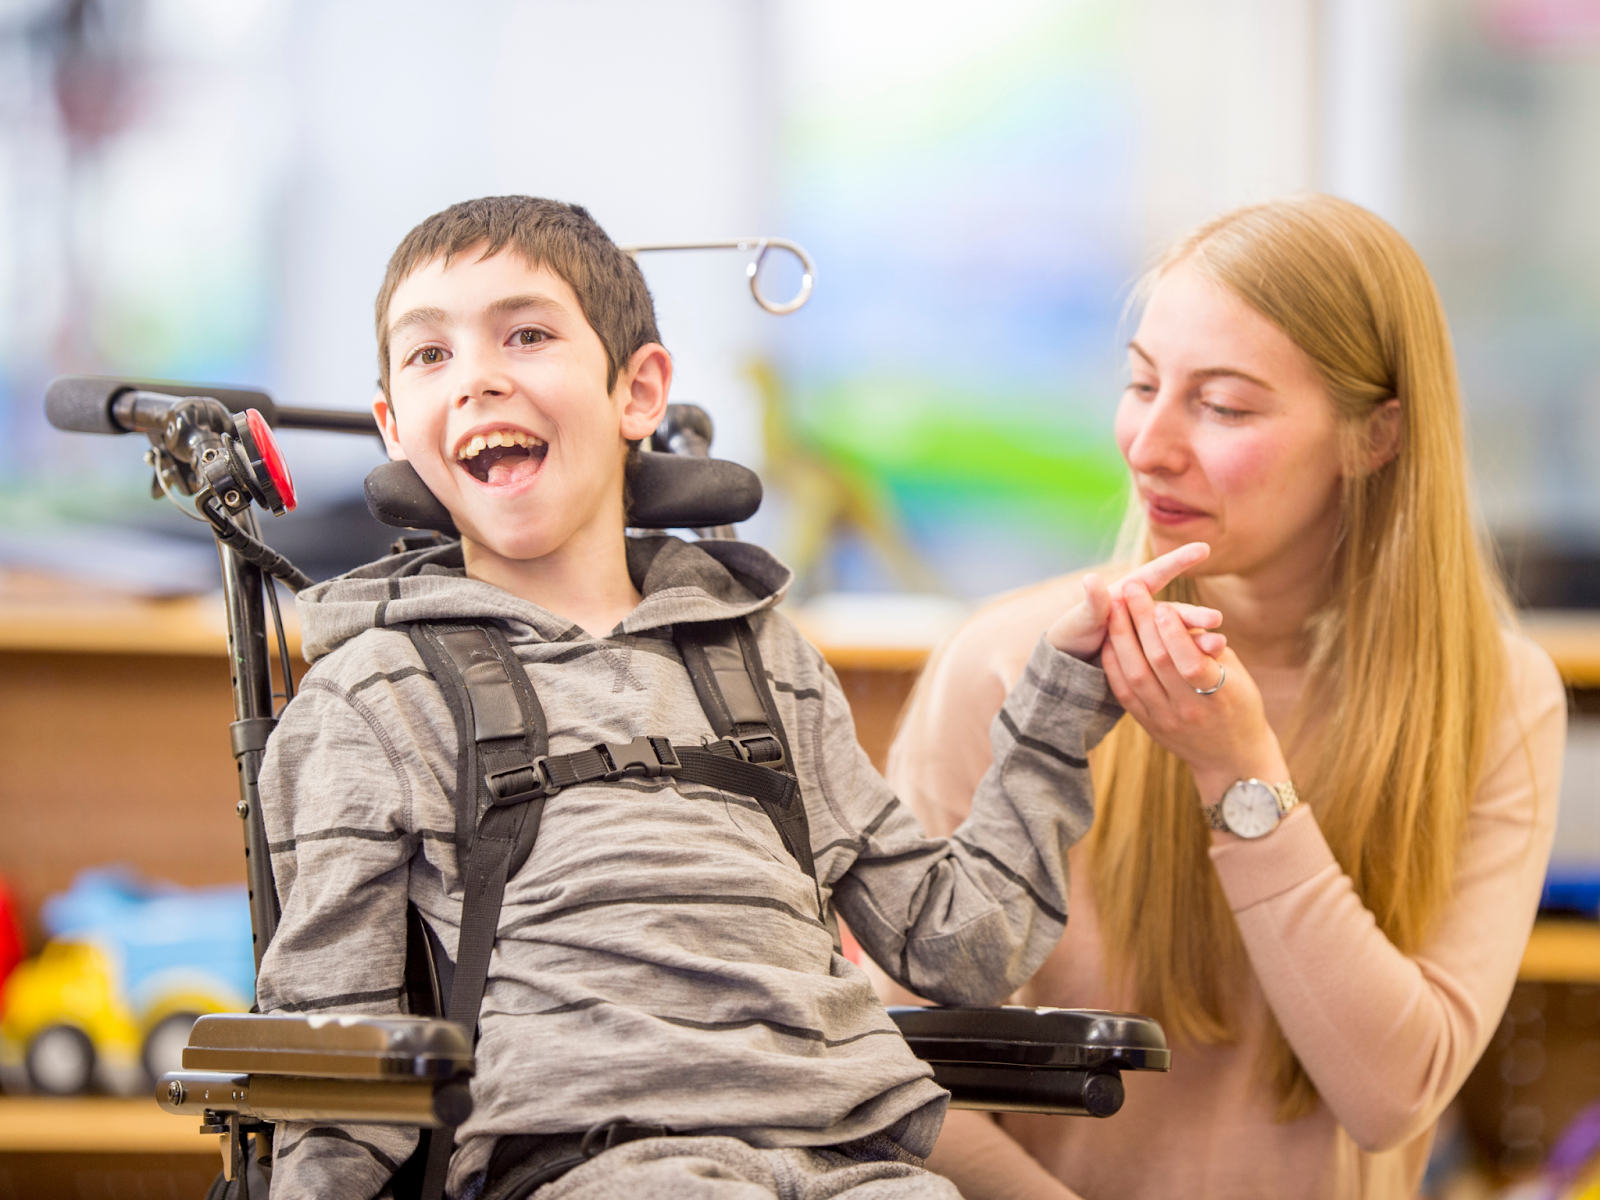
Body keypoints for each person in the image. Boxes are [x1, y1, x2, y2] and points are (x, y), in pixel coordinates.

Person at [251, 195, 1223, 1200]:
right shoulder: (373, 697)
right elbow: (333, 1064)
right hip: (600, 1163)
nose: (479, 376)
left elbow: (959, 944)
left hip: (854, 1156)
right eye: (429, 355)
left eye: (527, 334)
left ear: (640, 391)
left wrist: (1061, 702)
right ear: (394, 429)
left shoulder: (761, 660)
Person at [876, 194, 1567, 1200]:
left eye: (1224, 405)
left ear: (1375, 437)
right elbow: (886, 1070)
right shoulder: (1002, 665)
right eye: (1140, 384)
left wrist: (1238, 776)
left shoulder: (1497, 700)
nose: (1148, 446)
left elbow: (1389, 1095)